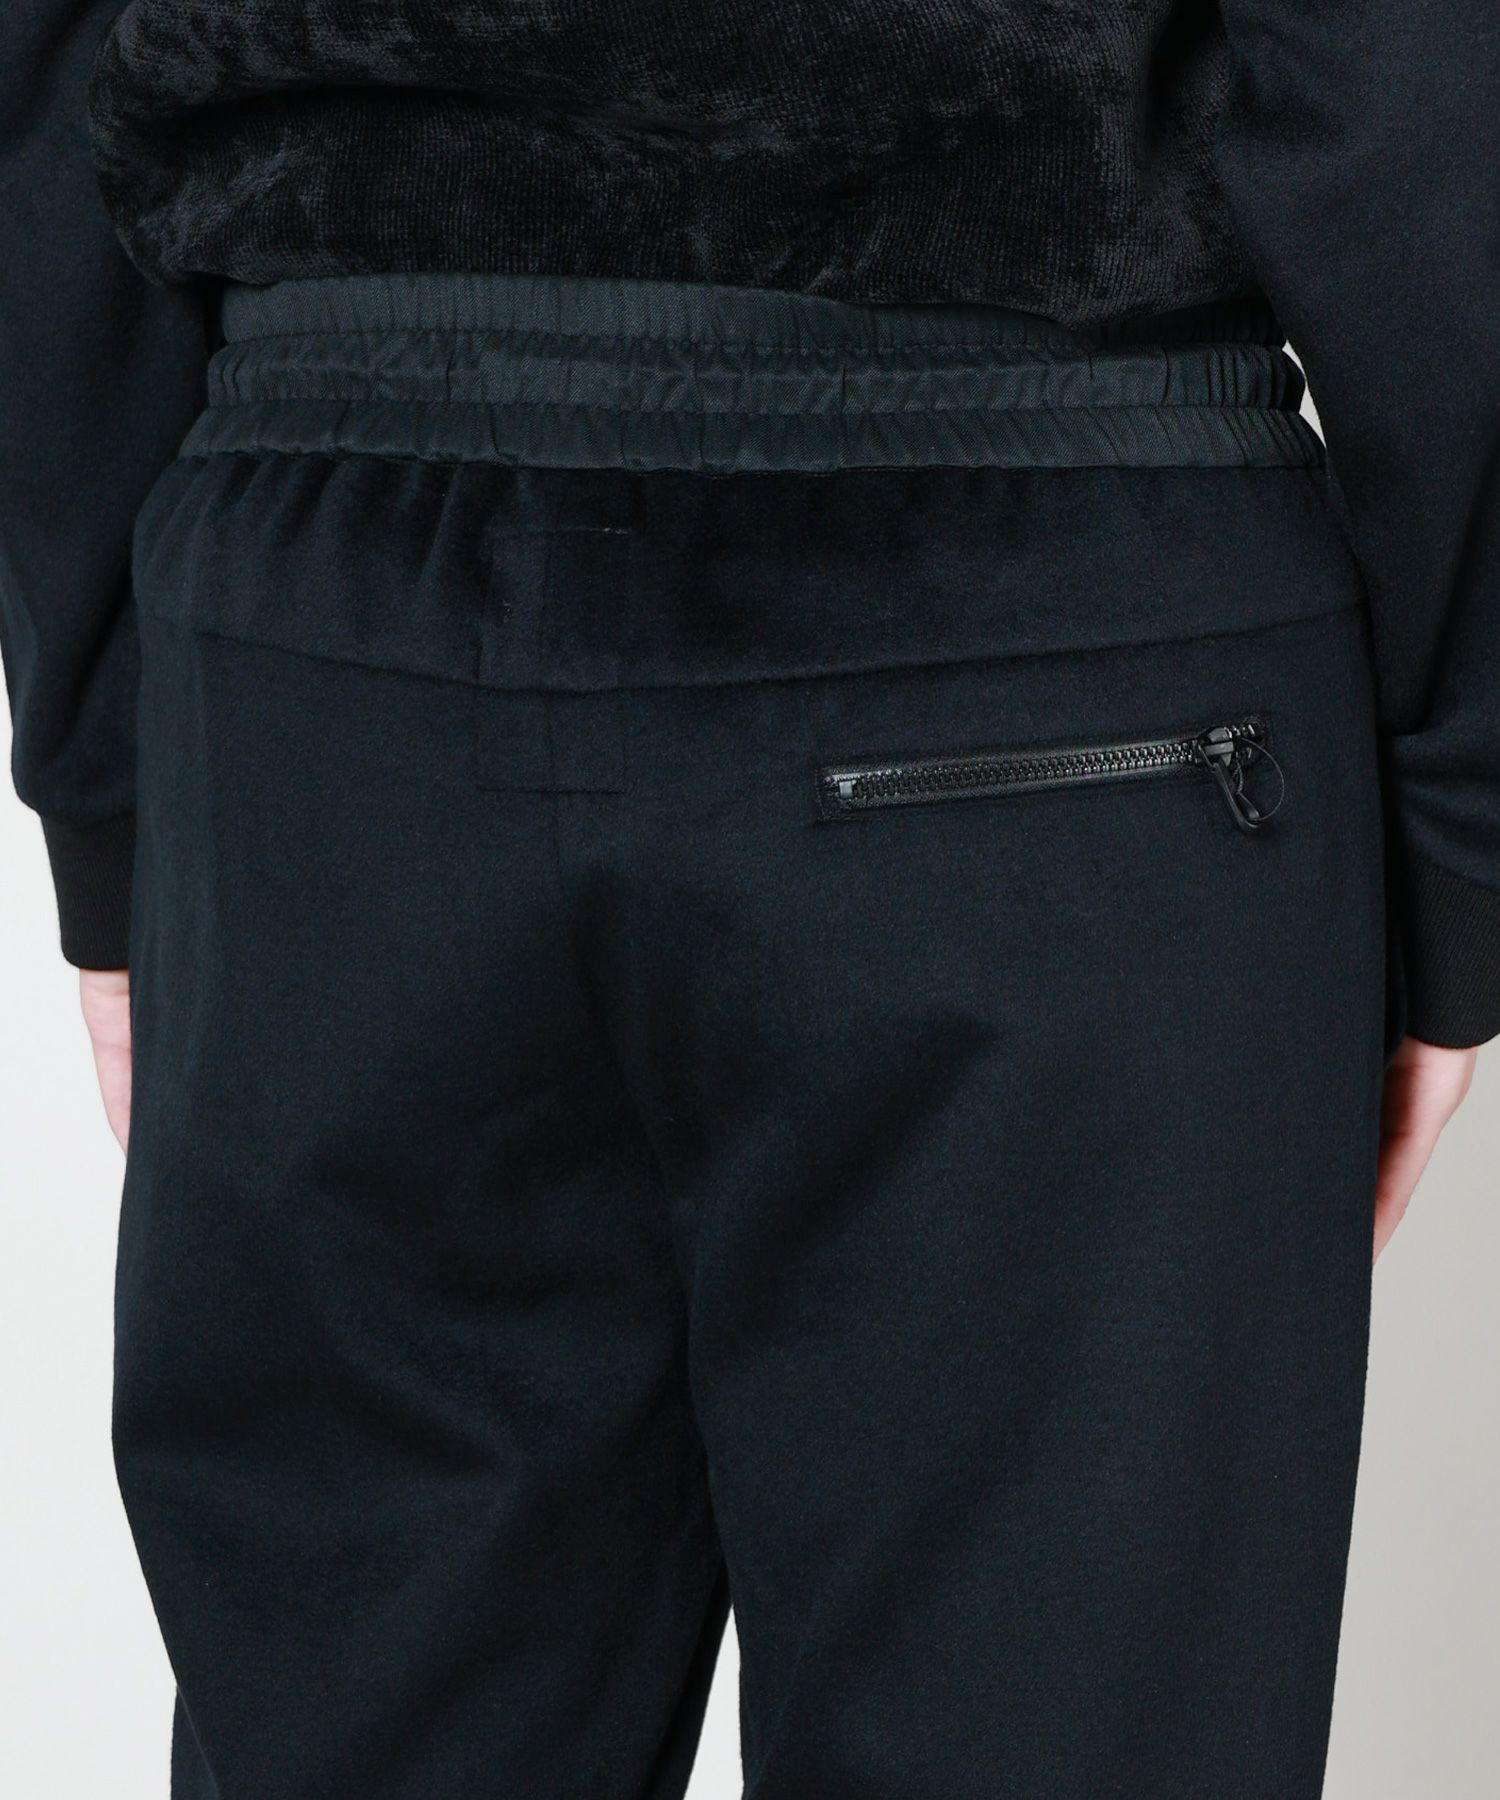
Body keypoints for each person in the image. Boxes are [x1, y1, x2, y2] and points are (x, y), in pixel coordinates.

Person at [0, 4, 1494, 1796]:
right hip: (1045, 638)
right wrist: (1458, 829)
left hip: (341, 651)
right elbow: (1410, 70)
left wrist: (112, 776)